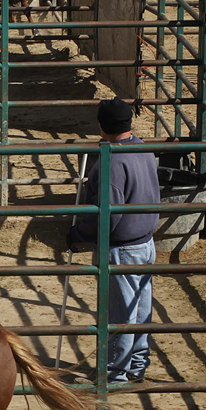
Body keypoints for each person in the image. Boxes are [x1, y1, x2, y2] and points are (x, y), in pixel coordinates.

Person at [67, 98, 161, 386]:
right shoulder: (142, 148)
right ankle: (136, 364)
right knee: (141, 308)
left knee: (120, 314)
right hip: (146, 241)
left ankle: (114, 373)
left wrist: (79, 234)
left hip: (123, 247)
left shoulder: (112, 162)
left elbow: (107, 213)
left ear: (101, 125)